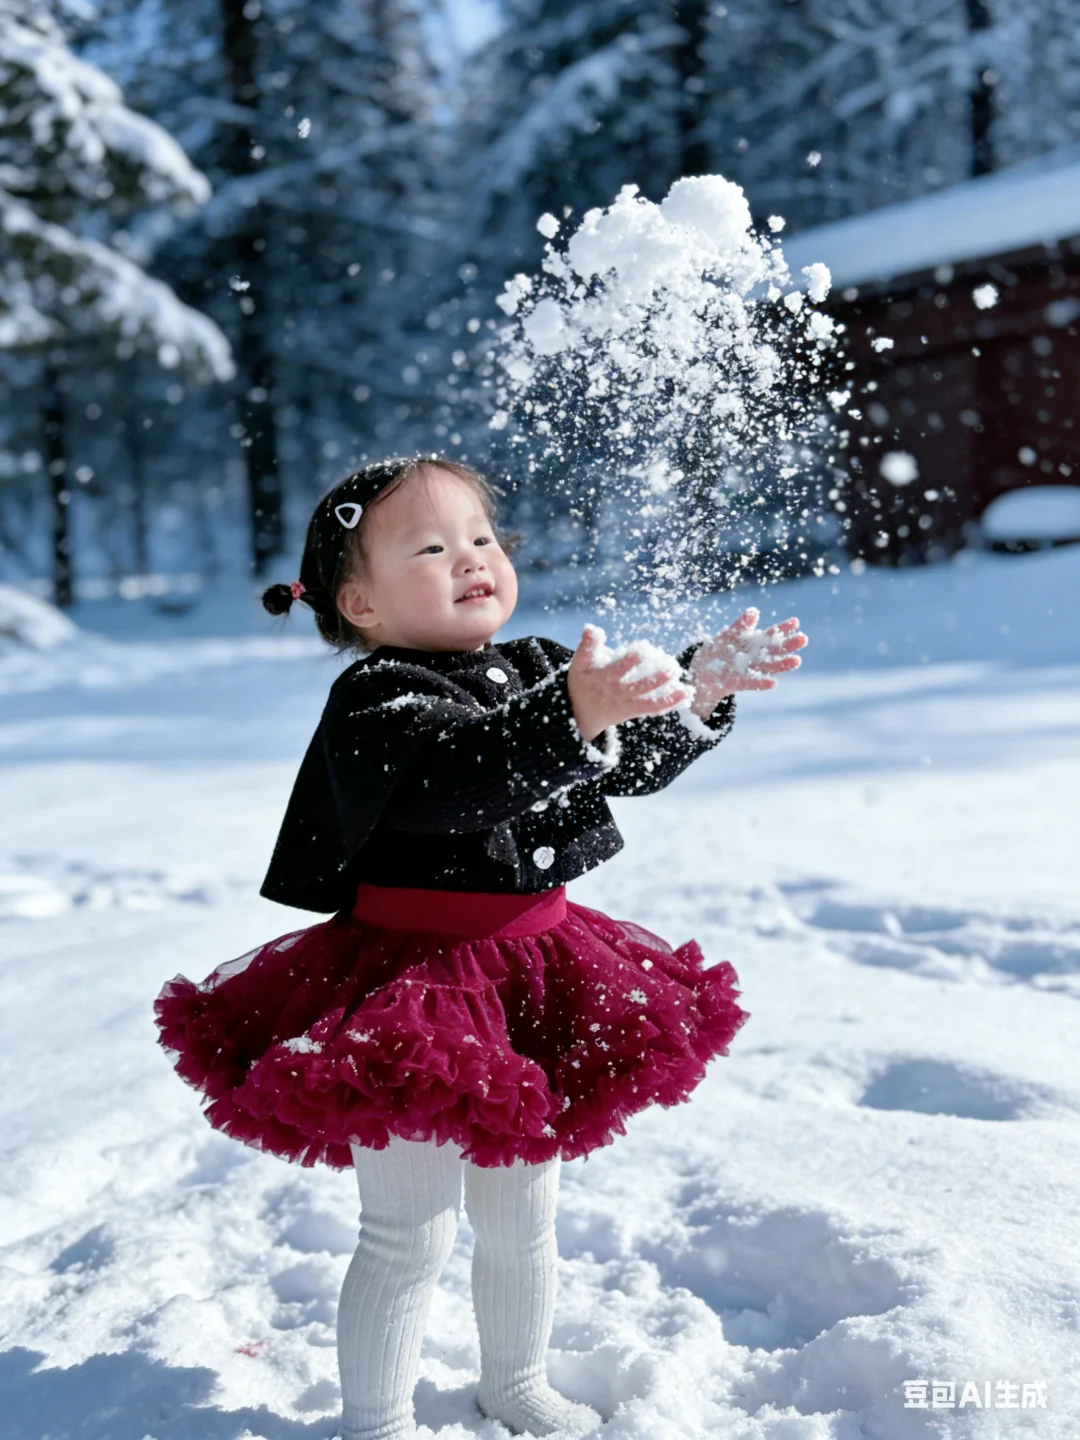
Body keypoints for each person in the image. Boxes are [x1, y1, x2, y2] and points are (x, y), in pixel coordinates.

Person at [154, 454, 807, 1440]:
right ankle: (374, 1419)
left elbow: (623, 764)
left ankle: (516, 1380)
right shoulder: (379, 697)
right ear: (359, 599)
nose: (470, 559)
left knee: (520, 1219)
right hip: (409, 991)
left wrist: (695, 697)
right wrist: (571, 715)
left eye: (481, 539)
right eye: (430, 546)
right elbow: (458, 779)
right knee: (408, 1229)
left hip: (535, 973)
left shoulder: (548, 667)